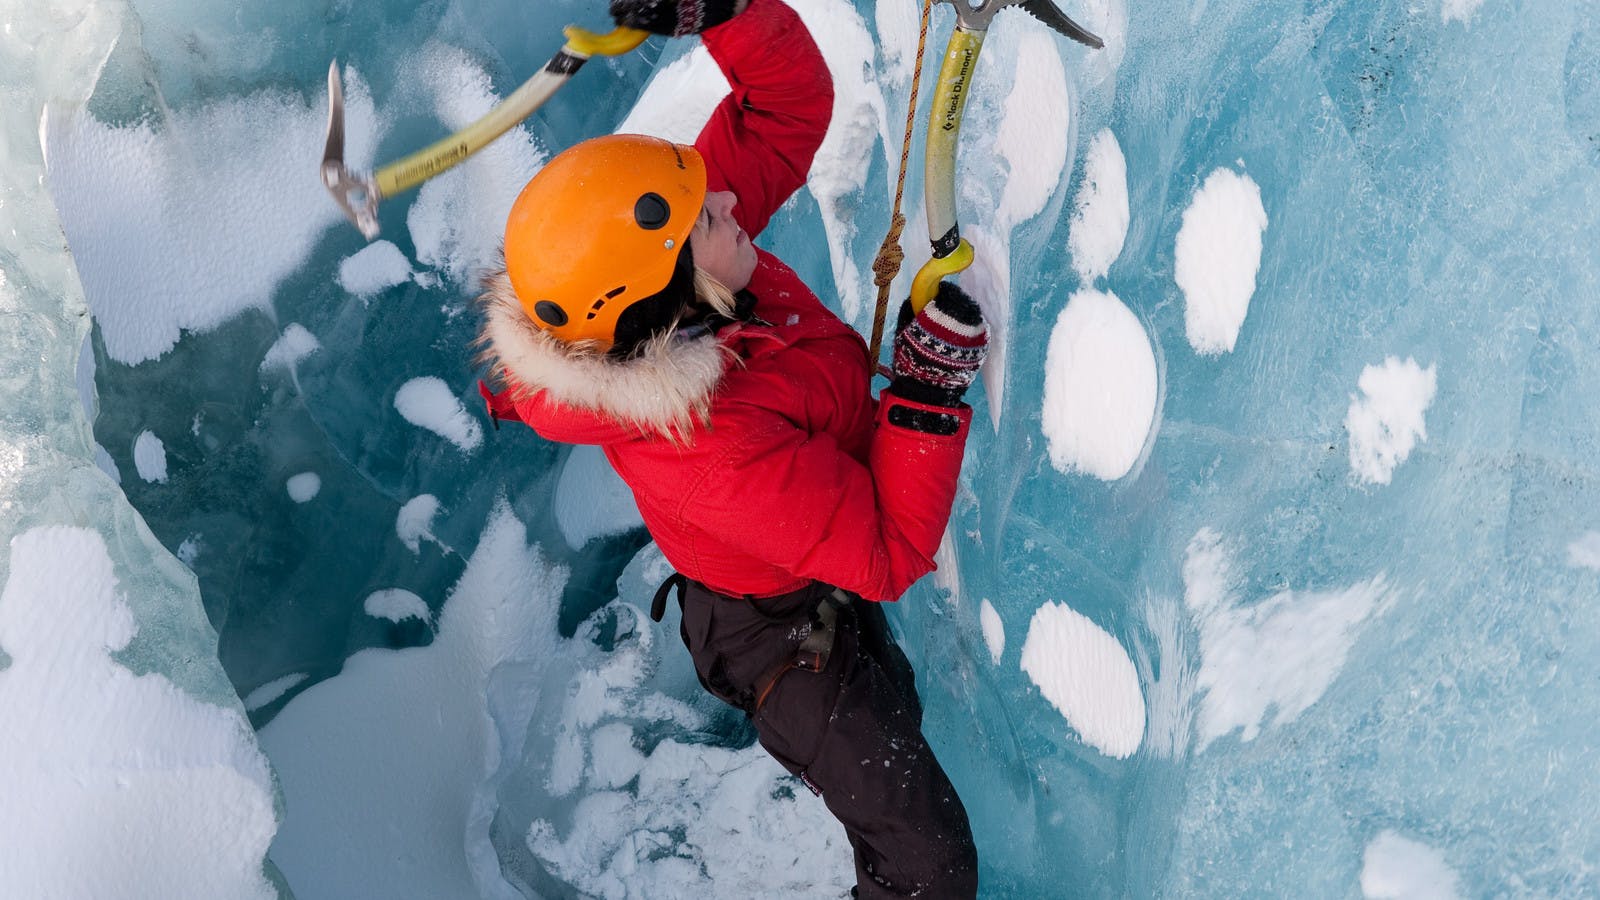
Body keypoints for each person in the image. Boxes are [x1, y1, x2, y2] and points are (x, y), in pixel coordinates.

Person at [476, 0, 987, 895]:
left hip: (801, 544)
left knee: (893, 709)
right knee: (928, 859)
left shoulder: (674, 278)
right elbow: (885, 550)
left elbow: (782, 110)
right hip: (775, 635)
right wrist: (925, 396)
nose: (724, 197)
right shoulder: (713, 454)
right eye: (705, 215)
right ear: (671, 298)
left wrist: (725, 10)